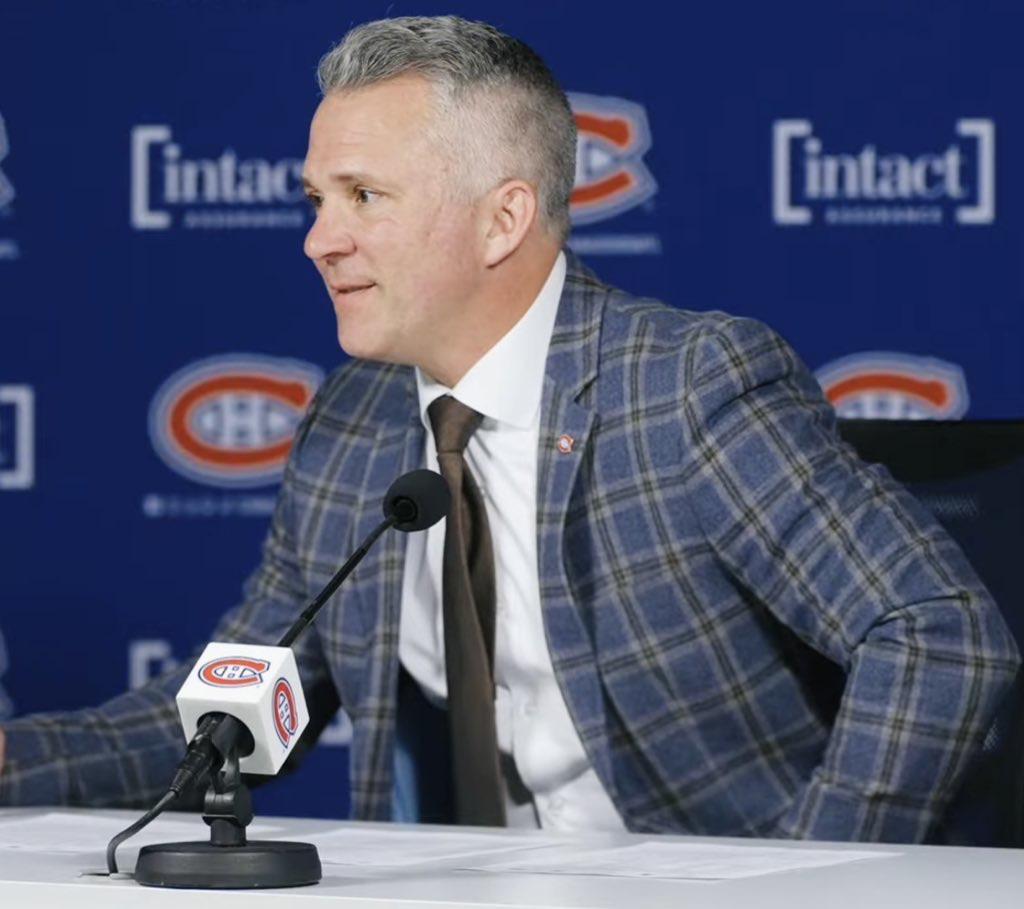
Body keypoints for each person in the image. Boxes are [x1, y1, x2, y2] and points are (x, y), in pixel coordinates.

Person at [0, 15, 1018, 843]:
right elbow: (242, 703)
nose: (318, 239)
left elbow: (938, 634)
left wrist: (802, 878)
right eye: (316, 199)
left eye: (363, 196)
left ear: (503, 219)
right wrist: (12, 761)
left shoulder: (685, 387)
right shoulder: (349, 423)